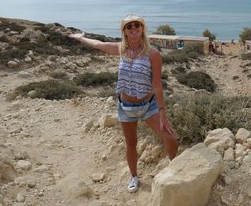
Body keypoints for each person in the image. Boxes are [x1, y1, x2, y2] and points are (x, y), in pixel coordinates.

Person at [69, 13, 178, 193]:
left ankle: (174, 172)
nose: (134, 28)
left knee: (171, 139)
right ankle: (134, 176)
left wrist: (163, 112)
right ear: (124, 31)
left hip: (148, 106)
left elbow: (157, 84)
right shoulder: (121, 49)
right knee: (131, 144)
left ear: (143, 29)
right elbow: (98, 44)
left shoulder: (153, 53)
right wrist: (82, 38)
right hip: (125, 107)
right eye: (129, 26)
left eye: (137, 25)